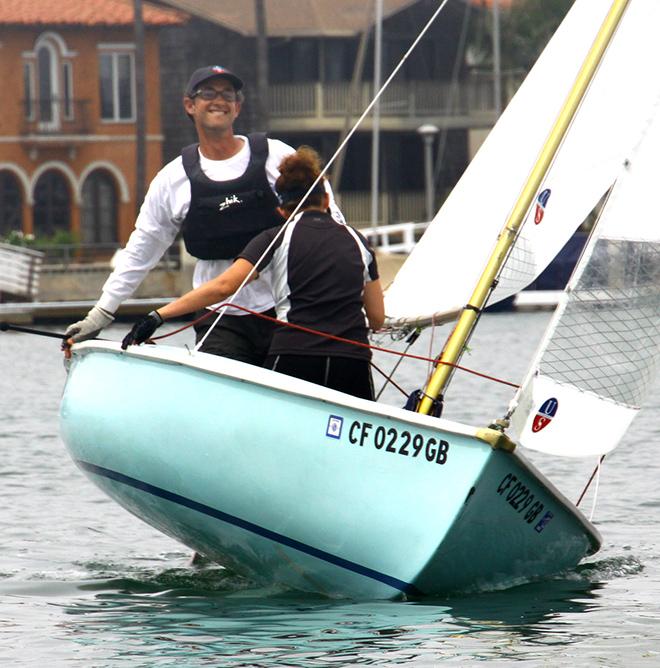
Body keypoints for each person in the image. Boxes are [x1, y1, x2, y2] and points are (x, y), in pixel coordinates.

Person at [63, 65, 345, 365]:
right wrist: (100, 314)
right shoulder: (171, 179)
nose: (218, 100)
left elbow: (330, 220)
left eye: (227, 94)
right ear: (190, 105)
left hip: (287, 309)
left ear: (238, 107)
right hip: (220, 317)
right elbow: (141, 251)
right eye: (208, 93)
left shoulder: (276, 156)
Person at [122, 146, 385, 400]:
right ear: (326, 199)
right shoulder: (359, 241)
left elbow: (224, 286)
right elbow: (376, 318)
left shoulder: (275, 239)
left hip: (295, 358)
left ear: (281, 210)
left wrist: (158, 316)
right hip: (353, 361)